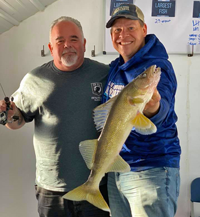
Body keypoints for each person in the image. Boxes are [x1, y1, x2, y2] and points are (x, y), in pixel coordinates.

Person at [0, 16, 109, 217]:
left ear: (84, 44)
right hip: (51, 192)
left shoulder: (105, 74)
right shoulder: (35, 79)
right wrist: (7, 115)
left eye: (74, 39)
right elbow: (16, 120)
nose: (67, 45)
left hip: (95, 187)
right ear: (51, 48)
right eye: (60, 41)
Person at [103, 3, 181, 217]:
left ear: (144, 30)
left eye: (130, 28)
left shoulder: (157, 66)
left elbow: (162, 108)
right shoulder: (115, 68)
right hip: (117, 170)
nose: (123, 35)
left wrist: (153, 107)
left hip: (150, 170)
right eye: (117, 30)